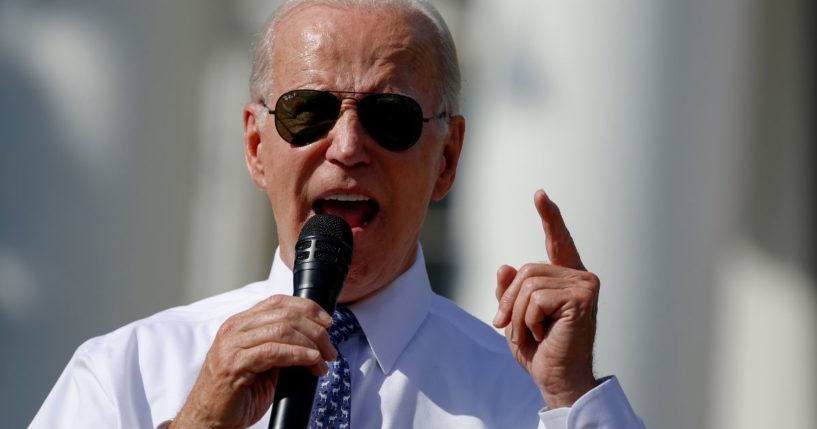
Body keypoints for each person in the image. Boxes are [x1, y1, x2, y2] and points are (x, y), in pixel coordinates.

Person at [32, 1, 644, 428]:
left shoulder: (537, 402)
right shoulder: (128, 373)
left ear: (448, 158)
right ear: (254, 147)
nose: (348, 147)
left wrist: (570, 395)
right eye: (308, 113)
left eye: (390, 117)